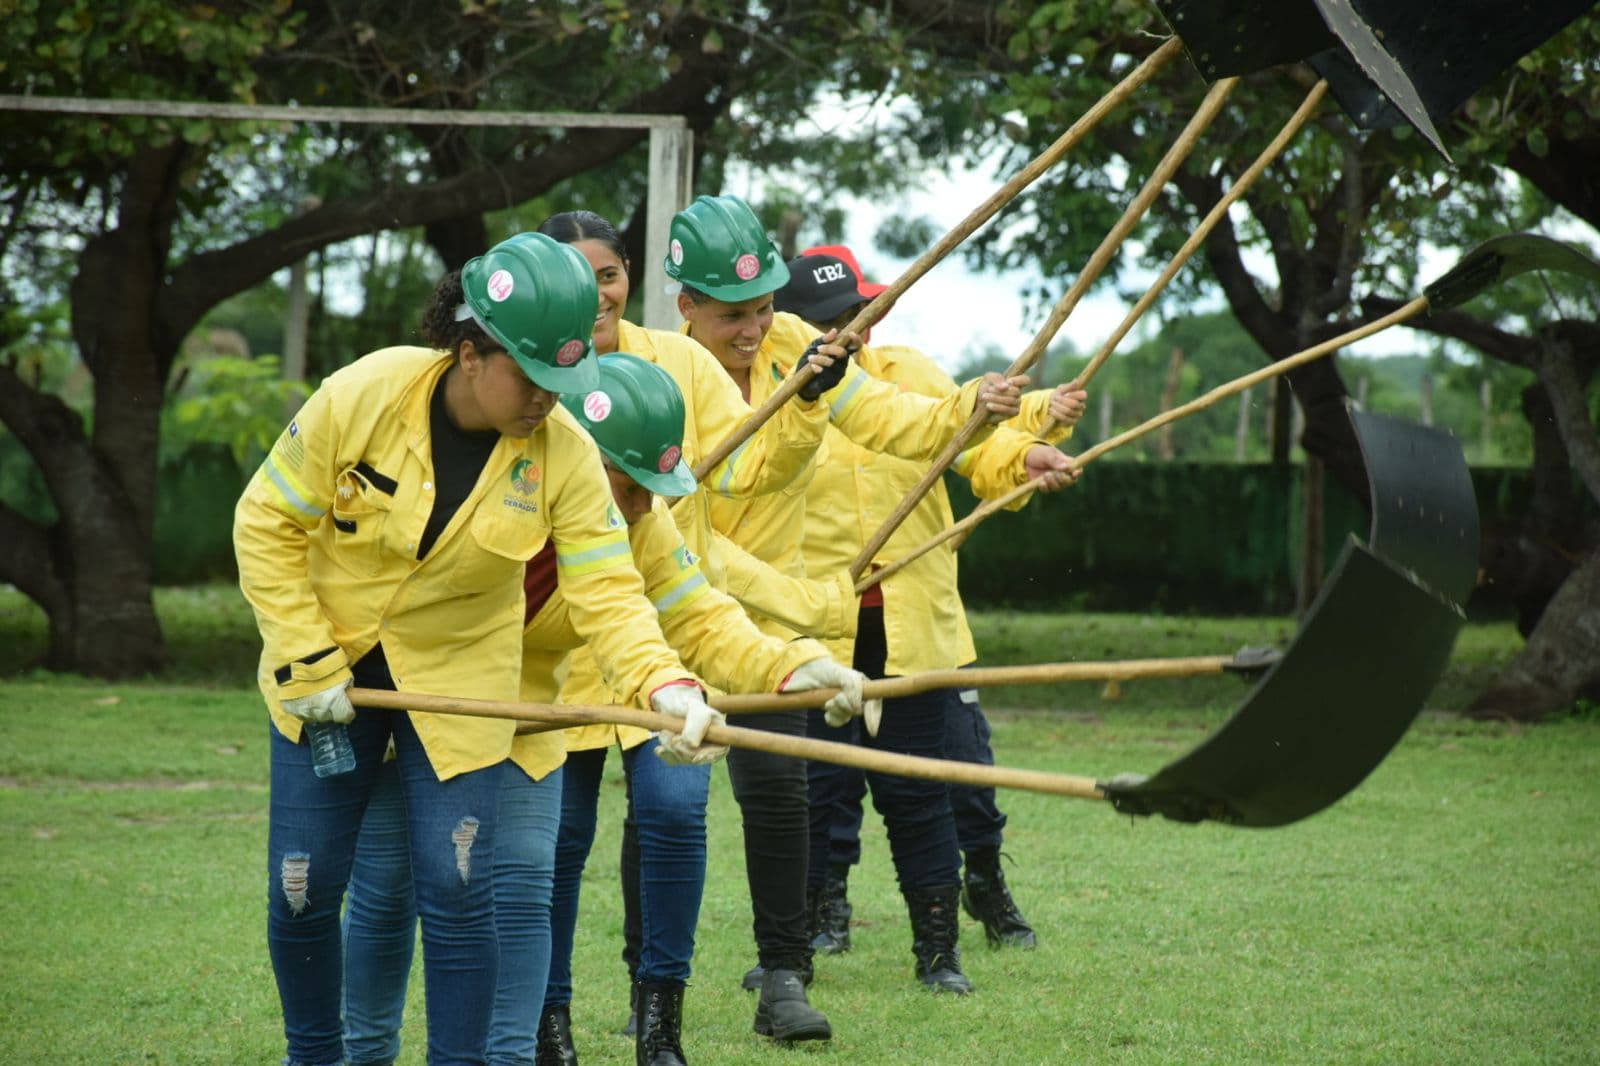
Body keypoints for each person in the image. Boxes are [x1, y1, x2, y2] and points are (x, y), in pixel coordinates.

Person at [235, 231, 720, 1066]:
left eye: (564, 382)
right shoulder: (363, 393)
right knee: (304, 888)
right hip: (327, 680)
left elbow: (609, 590)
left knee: (461, 892)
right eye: (533, 377)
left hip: (458, 687)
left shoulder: (563, 451)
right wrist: (304, 654)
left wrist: (665, 684)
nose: (548, 401)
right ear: (470, 353)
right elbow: (267, 521)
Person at [339, 353, 875, 1066]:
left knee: (525, 886)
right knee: (386, 890)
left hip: (526, 716)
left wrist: (798, 665)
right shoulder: (493, 485)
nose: (646, 507)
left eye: (655, 489)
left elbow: (698, 614)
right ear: (580, 458)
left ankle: (512, 1059)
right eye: (630, 485)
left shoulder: (640, 523)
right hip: (408, 697)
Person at [661, 194, 1035, 1005]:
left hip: (808, 620)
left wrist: (970, 410)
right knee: (730, 804)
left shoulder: (799, 344)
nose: (756, 330)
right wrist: (799, 411)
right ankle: (663, 995)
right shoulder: (662, 372)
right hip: (707, 607)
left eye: (764, 309)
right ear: (686, 305)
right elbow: (723, 491)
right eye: (733, 315)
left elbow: (891, 418)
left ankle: (809, 971)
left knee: (845, 790)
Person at [534, 209, 861, 1047]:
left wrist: (794, 664)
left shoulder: (677, 365)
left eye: (605, 275)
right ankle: (549, 1023)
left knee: (678, 815)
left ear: (631, 278)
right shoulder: (525, 393)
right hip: (555, 670)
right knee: (557, 845)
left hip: (673, 648)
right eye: (573, 276)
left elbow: (748, 471)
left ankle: (659, 1027)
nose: (594, 293)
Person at [770, 246, 1081, 992]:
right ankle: (807, 939)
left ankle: (938, 953)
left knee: (924, 789)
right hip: (814, 622)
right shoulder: (779, 391)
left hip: (914, 621)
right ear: (796, 327)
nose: (851, 331)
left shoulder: (908, 372)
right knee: (814, 792)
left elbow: (976, 442)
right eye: (832, 321)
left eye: (858, 314)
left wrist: (1029, 452)